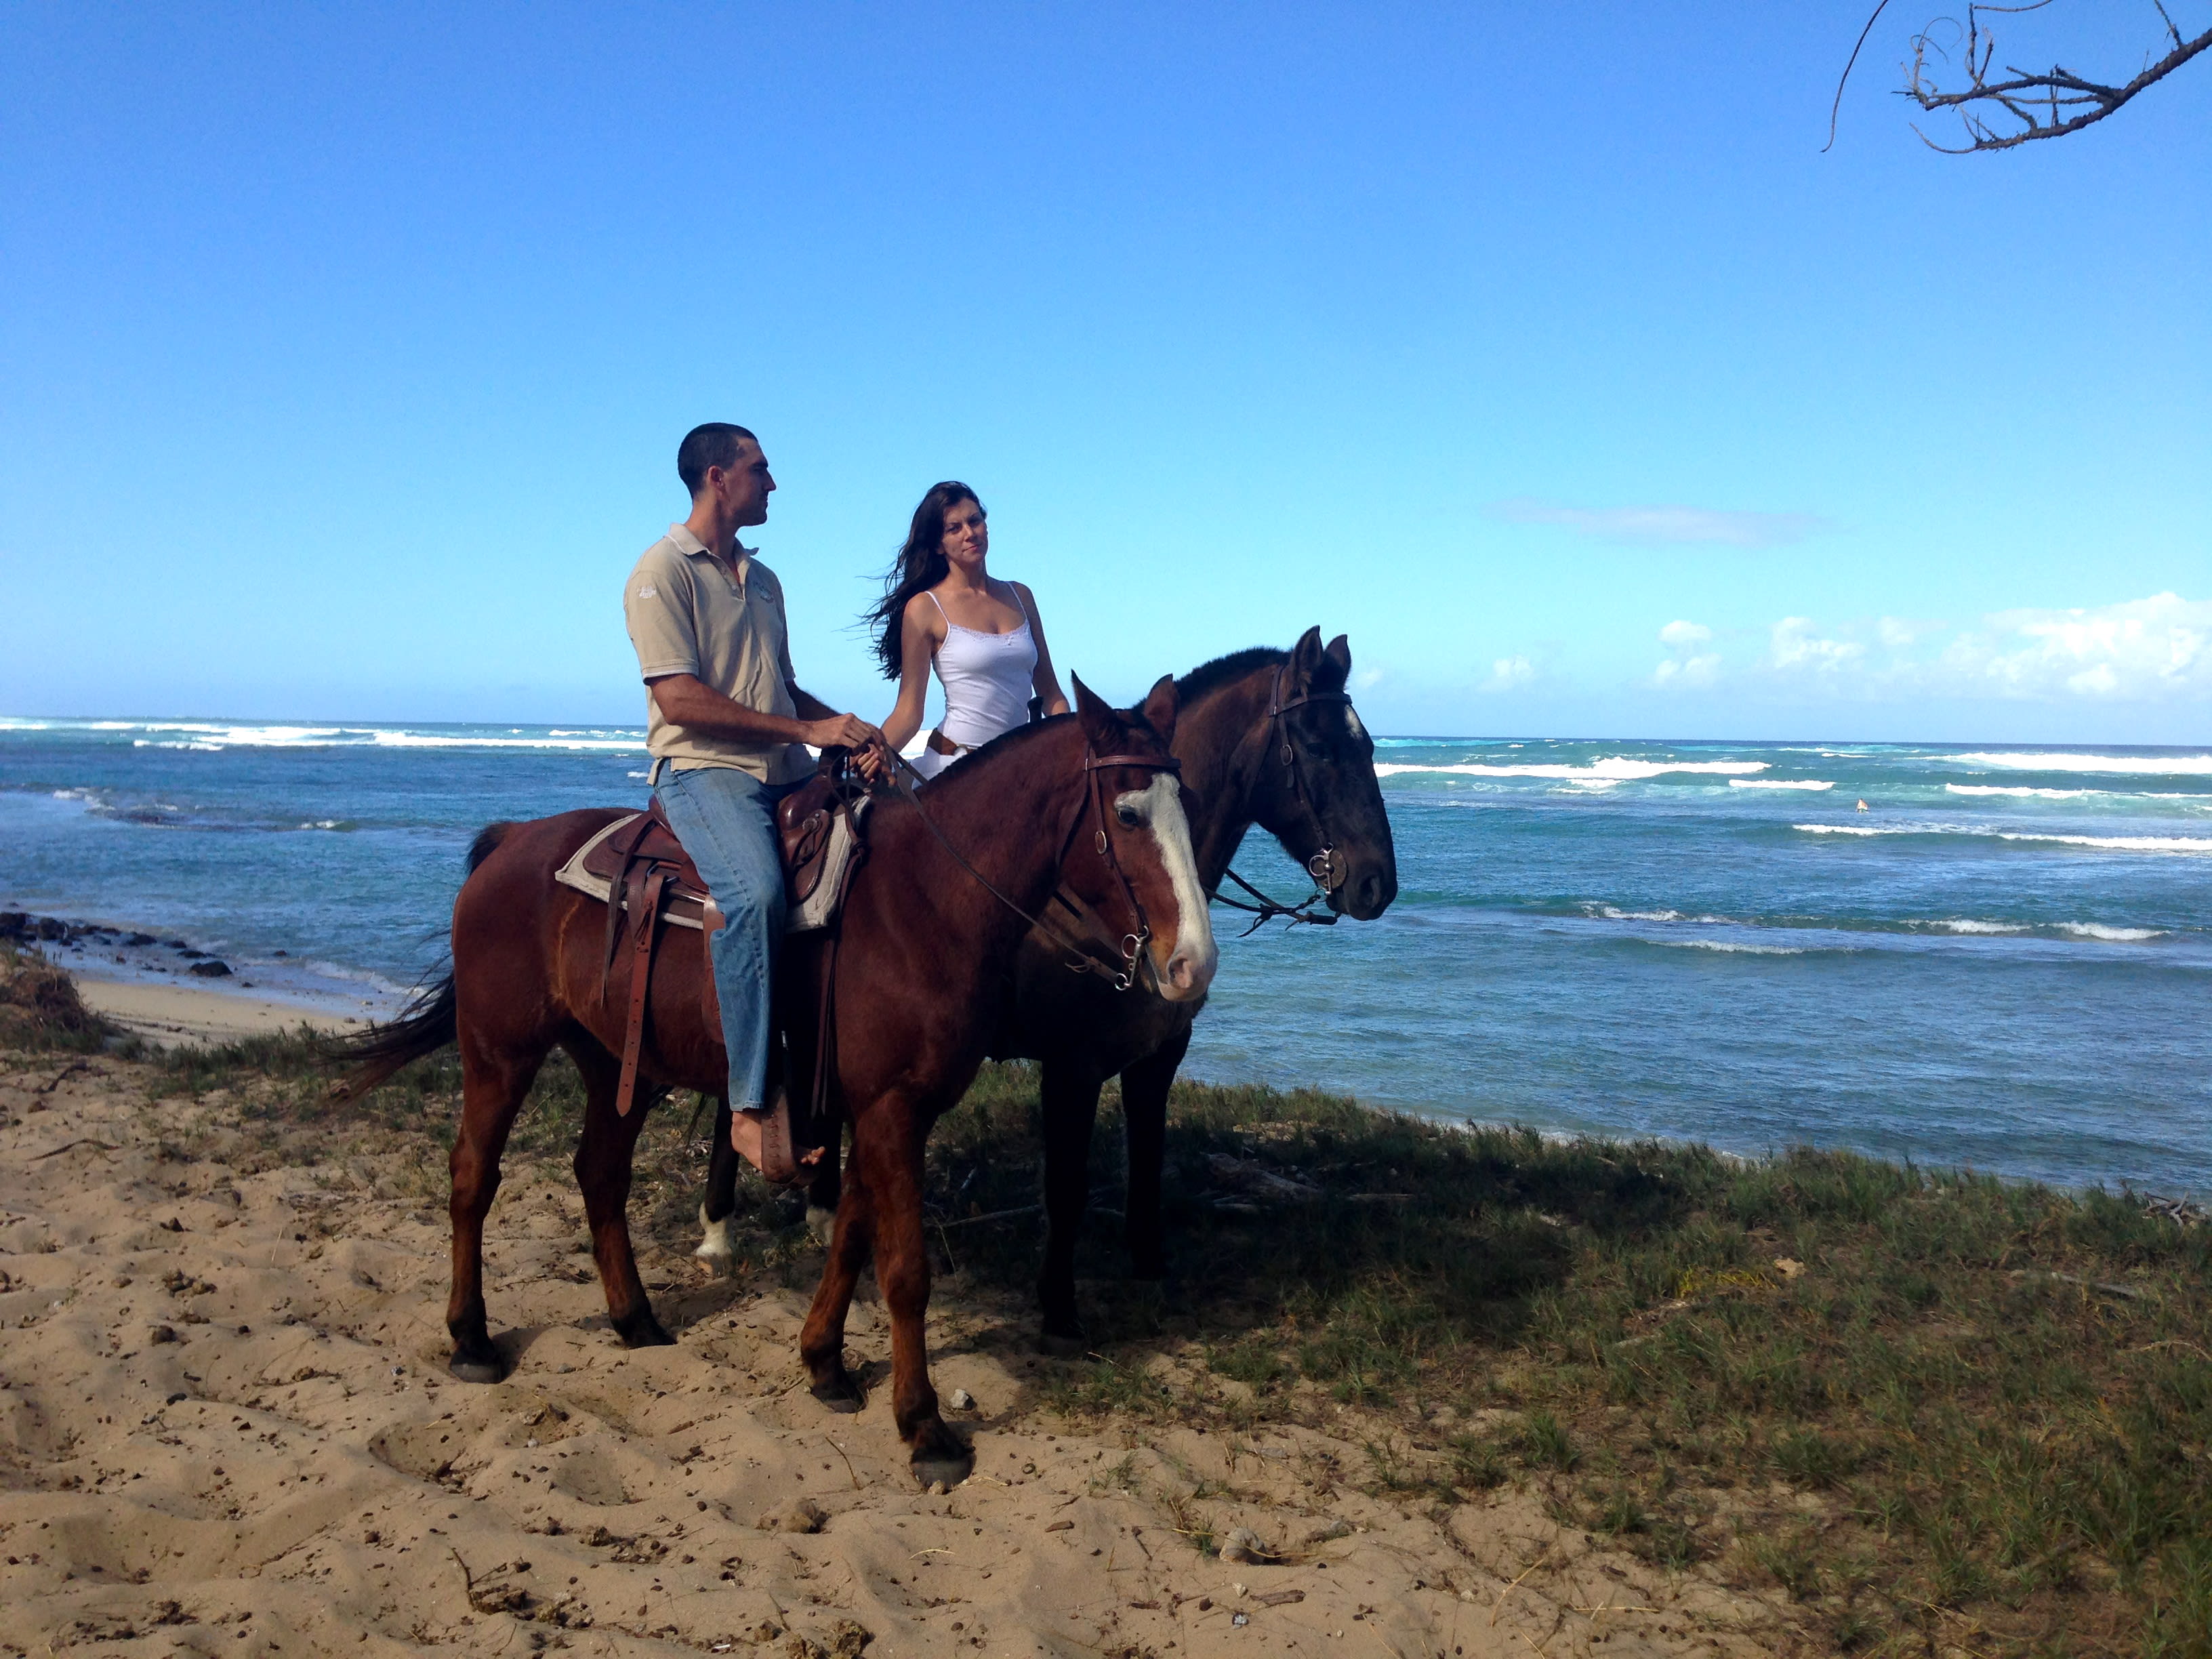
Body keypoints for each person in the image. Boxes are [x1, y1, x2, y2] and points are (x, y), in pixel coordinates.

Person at [622, 422, 885, 1174]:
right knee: (758, 895)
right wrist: (806, 727)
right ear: (717, 478)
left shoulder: (765, 581)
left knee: (883, 847)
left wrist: (841, 730)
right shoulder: (661, 572)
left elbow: (778, 685)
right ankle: (746, 1105)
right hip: (704, 772)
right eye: (761, 470)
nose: (773, 484)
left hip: (787, 769)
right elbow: (678, 699)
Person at [866, 481, 1070, 779]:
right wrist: (877, 755)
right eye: (954, 528)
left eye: (975, 521)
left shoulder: (1021, 596)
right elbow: (909, 712)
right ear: (939, 544)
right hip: (956, 768)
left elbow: (1051, 694)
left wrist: (1069, 744)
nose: (969, 533)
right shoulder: (925, 608)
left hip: (1021, 766)